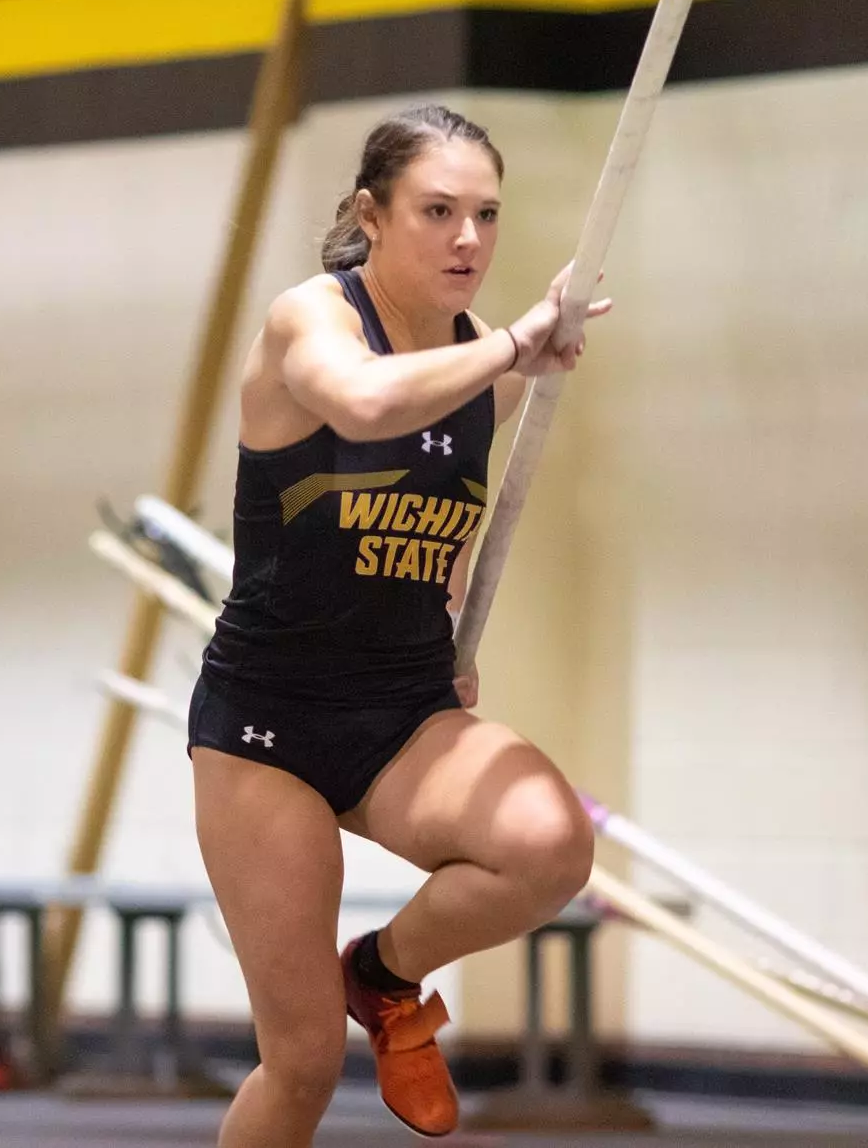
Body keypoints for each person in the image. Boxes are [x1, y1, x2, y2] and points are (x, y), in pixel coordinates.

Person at [188, 104, 612, 1145]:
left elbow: (437, 510)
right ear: (370, 216)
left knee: (549, 846)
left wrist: (440, 603)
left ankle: (383, 974)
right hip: (267, 730)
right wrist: (515, 345)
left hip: (402, 716)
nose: (467, 239)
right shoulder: (311, 322)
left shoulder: (475, 363)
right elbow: (366, 407)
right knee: (298, 1065)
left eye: (485, 215)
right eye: (437, 211)